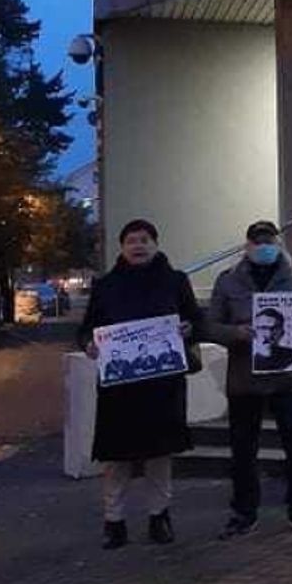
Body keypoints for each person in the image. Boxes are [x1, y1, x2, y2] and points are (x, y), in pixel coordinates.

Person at [77, 219, 203, 550]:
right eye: (132, 240)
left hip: (162, 385)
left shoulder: (175, 281)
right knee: (116, 458)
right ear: (122, 247)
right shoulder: (105, 285)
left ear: (156, 244)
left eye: (145, 239)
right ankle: (113, 521)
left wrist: (189, 329)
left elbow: (196, 320)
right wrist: (89, 344)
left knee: (159, 455)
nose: (139, 245)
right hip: (120, 388)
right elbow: (87, 328)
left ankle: (159, 517)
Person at [206, 220, 292, 538]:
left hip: (287, 379)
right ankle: (243, 512)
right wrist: (237, 333)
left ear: (278, 243)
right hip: (245, 381)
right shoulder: (228, 281)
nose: (263, 246)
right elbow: (210, 326)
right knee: (243, 450)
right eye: (257, 241)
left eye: (268, 240)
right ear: (247, 245)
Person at [252, 308, 292, 372]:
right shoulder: (247, 360)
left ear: (282, 332)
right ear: (254, 332)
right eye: (263, 328)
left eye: (275, 328)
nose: (269, 334)